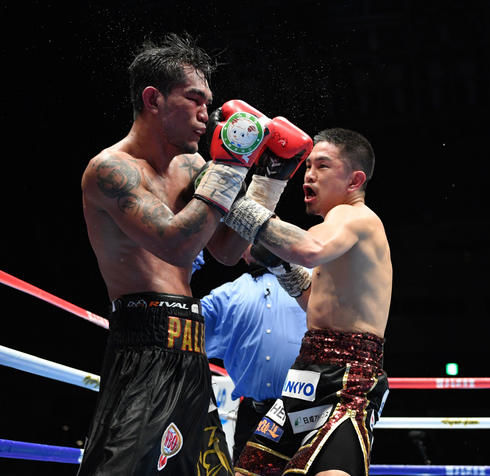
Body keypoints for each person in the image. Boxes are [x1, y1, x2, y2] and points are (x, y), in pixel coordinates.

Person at [79, 32, 313, 474]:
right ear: (153, 99)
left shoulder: (193, 167)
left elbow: (226, 250)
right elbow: (176, 244)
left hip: (191, 345)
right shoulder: (111, 171)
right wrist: (232, 165)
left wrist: (269, 179)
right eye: (195, 99)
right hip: (143, 344)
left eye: (209, 102)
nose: (208, 115)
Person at [222, 128, 393, 476]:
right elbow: (317, 304)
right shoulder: (337, 232)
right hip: (306, 374)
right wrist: (281, 268)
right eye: (308, 165)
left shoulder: (354, 216)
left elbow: (308, 250)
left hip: (348, 378)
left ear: (354, 180)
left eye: (323, 166)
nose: (309, 175)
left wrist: (235, 203)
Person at [201, 246, 308, 463]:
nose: (260, 241)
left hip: (303, 413)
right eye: (250, 237)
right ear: (242, 251)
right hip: (253, 416)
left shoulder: (313, 282)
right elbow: (184, 324)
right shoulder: (226, 295)